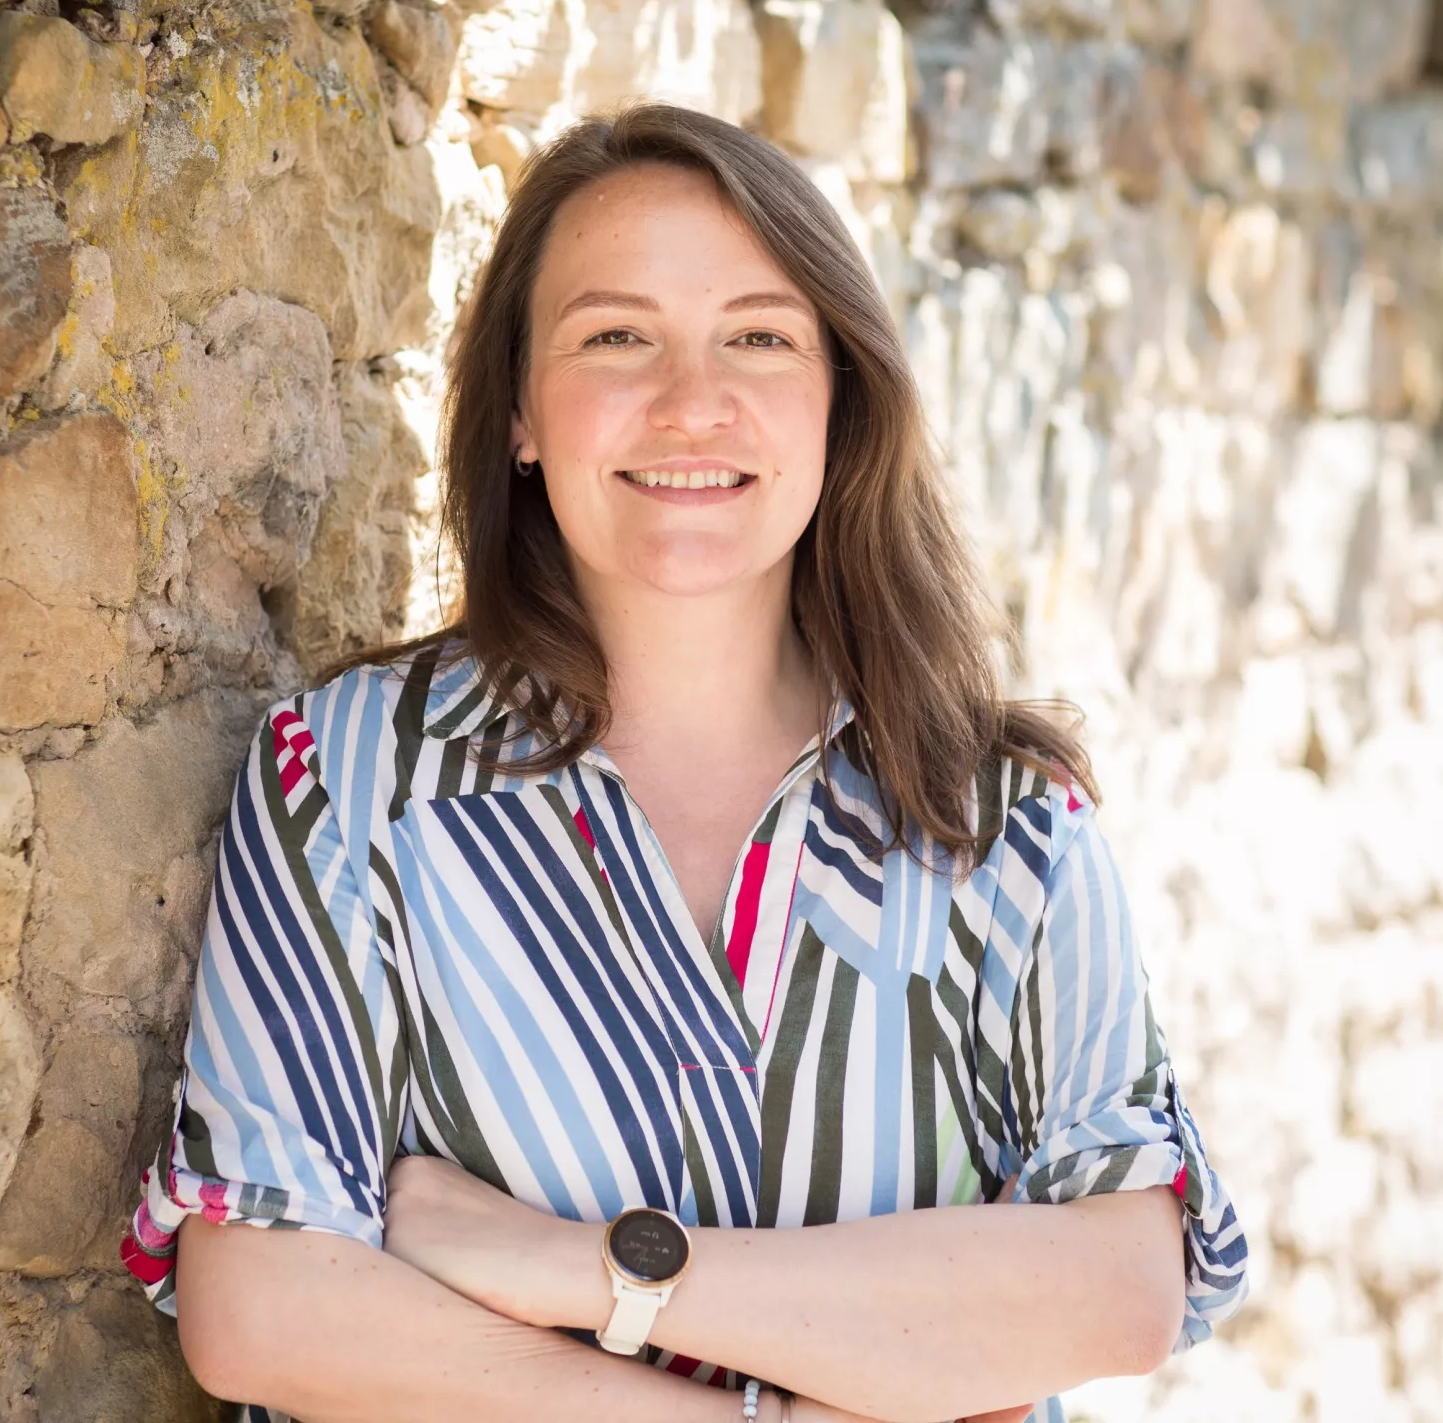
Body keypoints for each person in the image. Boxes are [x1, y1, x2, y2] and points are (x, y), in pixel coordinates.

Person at [121, 102, 1249, 1423]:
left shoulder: (1000, 829)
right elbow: (261, 1313)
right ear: (524, 413)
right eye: (616, 337)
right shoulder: (351, 783)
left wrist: (585, 1275)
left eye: (760, 338)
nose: (691, 403)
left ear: (841, 401)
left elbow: (1115, 1289)